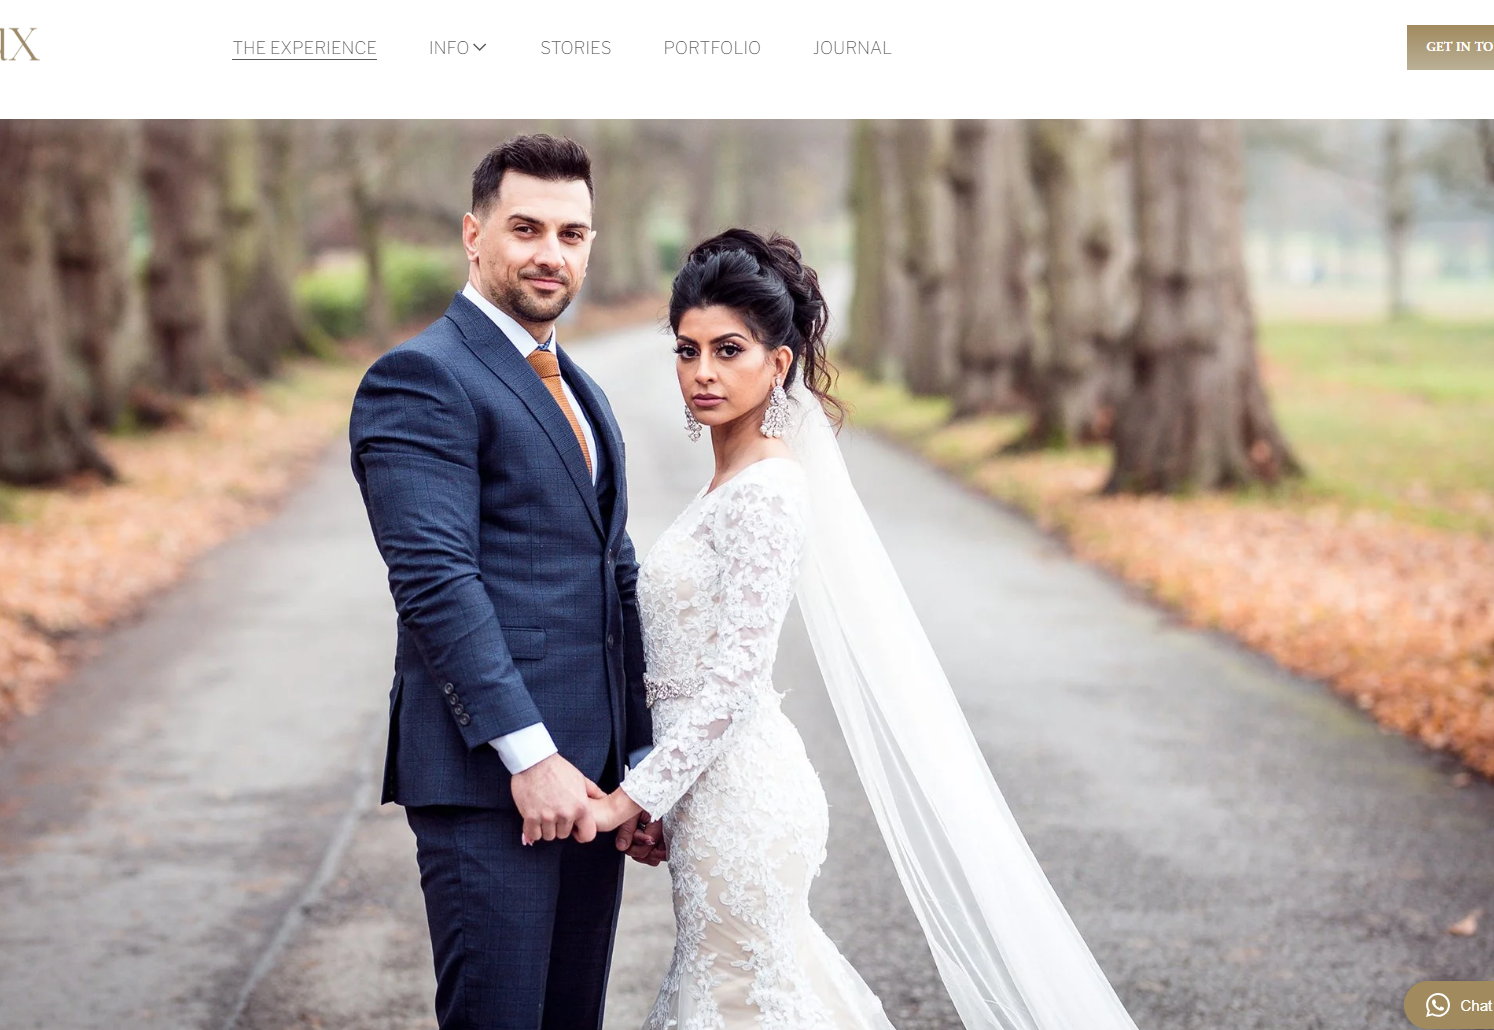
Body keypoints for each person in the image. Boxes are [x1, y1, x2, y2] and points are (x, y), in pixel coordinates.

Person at [586, 229, 1146, 1030]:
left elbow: (735, 682)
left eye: (728, 350)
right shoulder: (729, 482)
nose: (702, 372)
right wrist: (662, 798)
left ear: (777, 365)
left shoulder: (769, 493)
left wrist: (631, 796)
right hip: (706, 801)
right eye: (687, 350)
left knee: (739, 999)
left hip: (745, 800)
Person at [348, 134, 660, 1030]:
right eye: (527, 228)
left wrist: (636, 762)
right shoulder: (421, 378)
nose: (550, 254)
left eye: (572, 233)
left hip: (591, 791)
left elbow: (612, 573)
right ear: (473, 234)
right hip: (496, 787)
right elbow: (436, 583)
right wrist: (531, 758)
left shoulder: (582, 389)